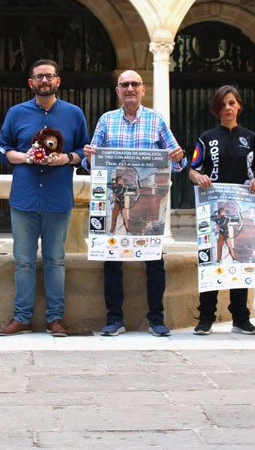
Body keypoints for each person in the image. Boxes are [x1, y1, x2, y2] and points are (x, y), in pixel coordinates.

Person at [83, 70, 187, 337]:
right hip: (113, 197)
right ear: (117, 90)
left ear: (143, 90)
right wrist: (89, 155)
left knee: (154, 260)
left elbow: (176, 163)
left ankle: (156, 319)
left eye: (135, 84)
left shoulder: (156, 120)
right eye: (124, 84)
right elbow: (91, 164)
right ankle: (114, 319)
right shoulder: (106, 121)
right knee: (111, 259)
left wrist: (178, 155)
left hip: (145, 201)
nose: (130, 88)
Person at [0, 59, 90, 337]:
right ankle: (22, 318)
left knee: (55, 260)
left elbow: (84, 152)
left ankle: (55, 319)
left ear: (58, 81)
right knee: (23, 260)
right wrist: (25, 157)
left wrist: (66, 158)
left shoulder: (74, 114)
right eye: (39, 77)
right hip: (24, 197)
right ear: (31, 83)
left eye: (49, 76)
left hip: (57, 198)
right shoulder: (16, 113)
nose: (44, 81)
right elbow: (3, 147)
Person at [188, 85, 255, 336]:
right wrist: (198, 178)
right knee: (212, 257)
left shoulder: (251, 138)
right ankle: (206, 316)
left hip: (242, 206)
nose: (228, 108)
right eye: (223, 105)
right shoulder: (207, 138)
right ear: (217, 109)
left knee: (240, 258)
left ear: (239, 105)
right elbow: (192, 168)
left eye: (232, 103)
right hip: (214, 207)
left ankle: (240, 318)